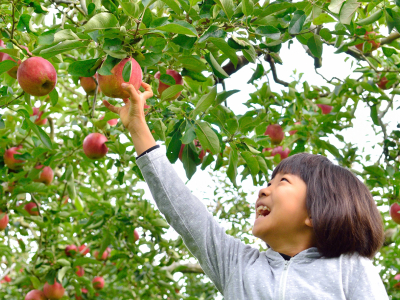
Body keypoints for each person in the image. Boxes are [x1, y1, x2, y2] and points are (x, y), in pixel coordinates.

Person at [104, 82, 389, 299]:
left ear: (317, 211)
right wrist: (139, 129)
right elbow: (184, 212)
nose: (263, 191)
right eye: (268, 181)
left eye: (283, 182)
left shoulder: (349, 268)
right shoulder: (238, 265)